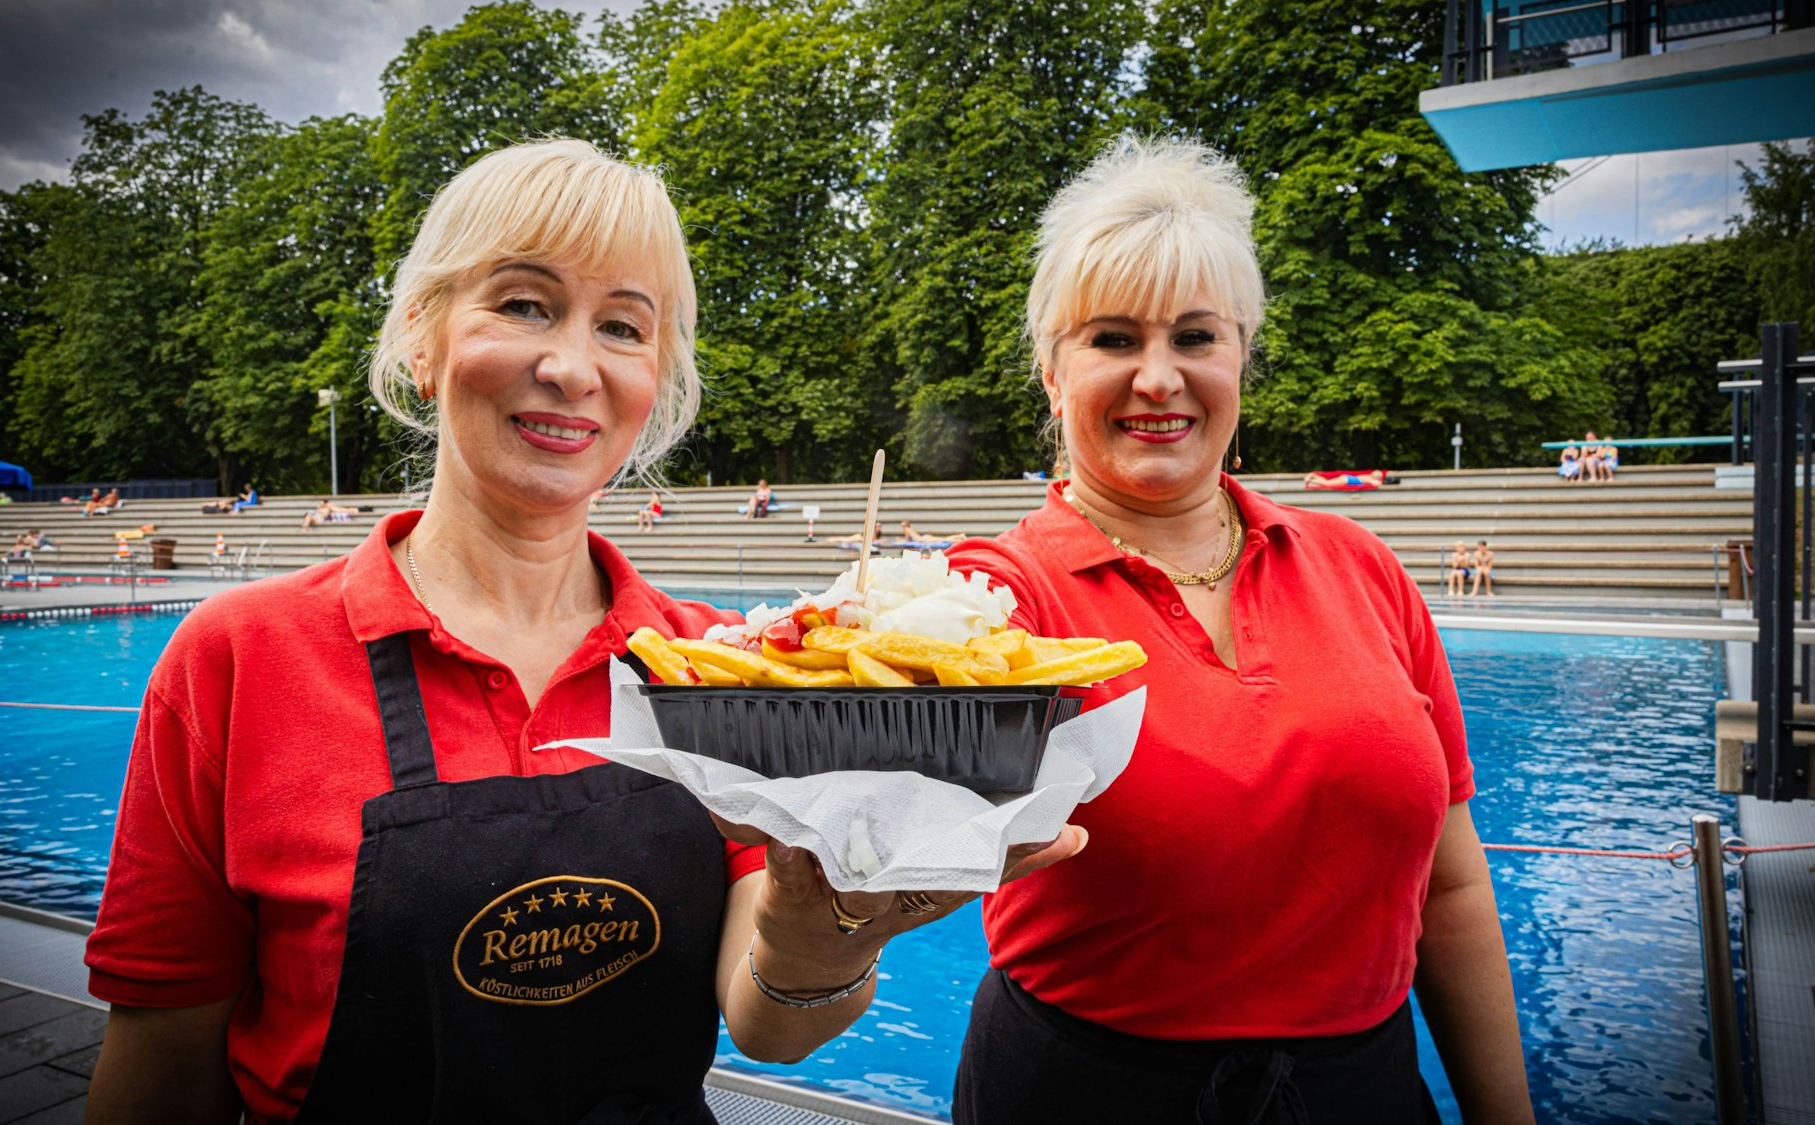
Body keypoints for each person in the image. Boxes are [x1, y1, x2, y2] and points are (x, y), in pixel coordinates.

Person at [82, 138, 1079, 1125]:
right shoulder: (238, 657)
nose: (570, 366)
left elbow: (768, 1026)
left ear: (653, 383)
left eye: (621, 326)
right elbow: (161, 1072)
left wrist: (831, 923)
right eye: (524, 304)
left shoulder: (716, 668)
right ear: (423, 338)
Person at [945, 135, 1532, 1124]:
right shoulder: (995, 598)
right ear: (1051, 374)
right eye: (1112, 339)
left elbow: (1450, 891)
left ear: (1240, 357)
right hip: (1081, 1095)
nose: (1158, 377)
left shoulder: (1361, 571)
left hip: (1363, 1096)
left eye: (1193, 337)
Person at [1303, 469, 1390, 490]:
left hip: (1347, 479)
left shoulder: (1368, 476)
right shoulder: (1371, 479)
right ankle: (1312, 479)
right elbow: (1376, 484)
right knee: (1327, 484)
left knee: (1327, 482)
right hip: (1347, 480)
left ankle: (1313, 477)